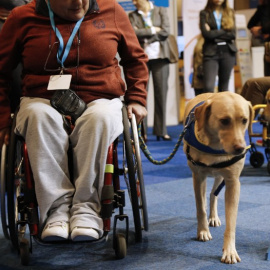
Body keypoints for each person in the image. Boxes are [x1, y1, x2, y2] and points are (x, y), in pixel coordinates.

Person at [0, 0, 148, 242]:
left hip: (101, 97)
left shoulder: (111, 11)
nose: (78, 2)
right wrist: (3, 119)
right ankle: (56, 212)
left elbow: (136, 60)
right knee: (39, 116)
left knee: (99, 118)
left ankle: (87, 211)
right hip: (42, 98)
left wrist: (137, 98)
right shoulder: (21, 17)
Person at [129, 0, 172, 141]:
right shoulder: (132, 16)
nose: (134, 2)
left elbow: (165, 31)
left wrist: (146, 36)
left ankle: (161, 131)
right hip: (142, 59)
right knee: (141, 95)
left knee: (161, 94)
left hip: (161, 57)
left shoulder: (161, 11)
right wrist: (154, 29)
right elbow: (133, 33)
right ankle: (142, 133)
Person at [199, 0, 237, 93]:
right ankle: (208, 107)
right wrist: (225, 30)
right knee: (208, 87)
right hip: (210, 52)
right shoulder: (204, 13)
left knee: (224, 88)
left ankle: (221, 107)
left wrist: (213, 33)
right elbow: (206, 34)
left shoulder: (230, 12)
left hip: (228, 52)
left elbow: (232, 34)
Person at [247, 0, 270, 76]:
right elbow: (250, 24)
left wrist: (261, 30)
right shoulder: (263, 7)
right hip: (268, 46)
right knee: (267, 80)